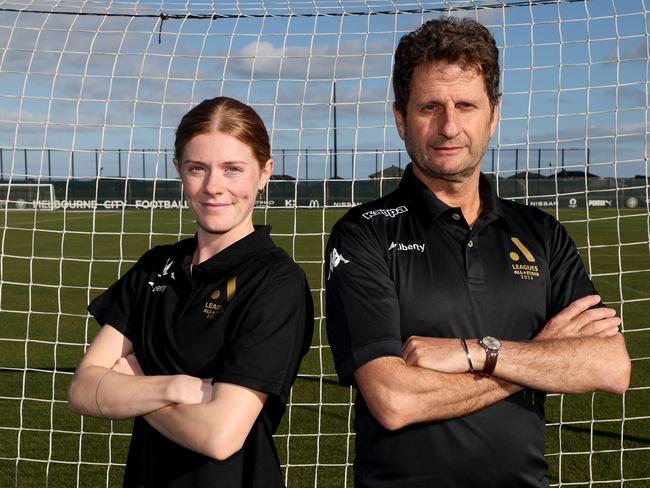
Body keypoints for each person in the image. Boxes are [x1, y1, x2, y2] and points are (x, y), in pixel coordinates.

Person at [325, 17, 631, 488]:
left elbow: (610, 366)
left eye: (466, 105)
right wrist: (537, 359)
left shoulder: (542, 234)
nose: (450, 126)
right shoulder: (363, 234)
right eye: (430, 107)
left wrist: (477, 353)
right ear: (401, 119)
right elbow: (393, 400)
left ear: (494, 115)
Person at [68, 96, 314, 487]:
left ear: (264, 173)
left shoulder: (276, 281)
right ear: (178, 170)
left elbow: (219, 436)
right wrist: (175, 385)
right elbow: (83, 390)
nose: (214, 187)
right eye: (198, 168)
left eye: (233, 169)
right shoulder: (156, 265)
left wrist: (133, 382)